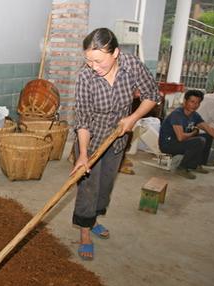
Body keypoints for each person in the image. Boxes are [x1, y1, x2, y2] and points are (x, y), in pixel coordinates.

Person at [71, 28, 159, 261]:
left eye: (98, 61)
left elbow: (152, 94)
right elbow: (82, 120)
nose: (93, 67)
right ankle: (84, 232)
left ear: (116, 53)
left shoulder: (131, 65)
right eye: (88, 60)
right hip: (91, 141)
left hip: (118, 140)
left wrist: (132, 119)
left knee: (105, 186)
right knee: (88, 187)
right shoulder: (85, 77)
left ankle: (94, 220)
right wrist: (82, 155)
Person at [159, 89, 214, 179]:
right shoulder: (177, 114)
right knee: (199, 140)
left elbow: (209, 129)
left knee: (207, 136)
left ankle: (196, 165)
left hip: (178, 142)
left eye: (198, 103)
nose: (195, 105)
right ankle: (182, 168)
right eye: (192, 102)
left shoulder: (194, 115)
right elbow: (180, 137)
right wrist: (194, 132)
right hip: (168, 144)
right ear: (185, 101)